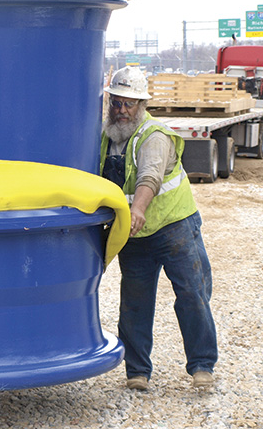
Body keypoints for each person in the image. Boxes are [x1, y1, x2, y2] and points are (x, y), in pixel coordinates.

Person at [100, 66, 218, 391]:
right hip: (135, 236)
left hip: (173, 227)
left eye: (129, 104)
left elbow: (149, 176)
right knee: (135, 302)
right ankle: (137, 372)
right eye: (117, 103)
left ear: (142, 105)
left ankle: (202, 366)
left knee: (192, 293)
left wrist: (137, 209)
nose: (122, 110)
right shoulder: (106, 138)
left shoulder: (153, 136)